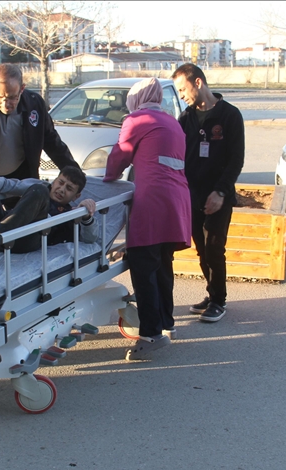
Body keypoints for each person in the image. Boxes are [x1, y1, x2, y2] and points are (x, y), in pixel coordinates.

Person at [103, 77, 191, 360]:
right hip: (176, 201)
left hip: (151, 202)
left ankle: (150, 336)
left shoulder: (137, 120)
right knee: (163, 265)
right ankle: (166, 323)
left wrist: (106, 181)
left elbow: (120, 157)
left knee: (143, 267)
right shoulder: (172, 122)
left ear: (135, 99)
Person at [172, 63, 245, 323]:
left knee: (215, 247)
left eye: (183, 89)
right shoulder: (186, 119)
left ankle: (218, 300)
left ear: (198, 83)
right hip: (192, 196)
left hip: (218, 196)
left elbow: (236, 160)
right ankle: (211, 293)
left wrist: (221, 192)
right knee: (202, 249)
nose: (181, 95)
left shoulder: (230, 116)